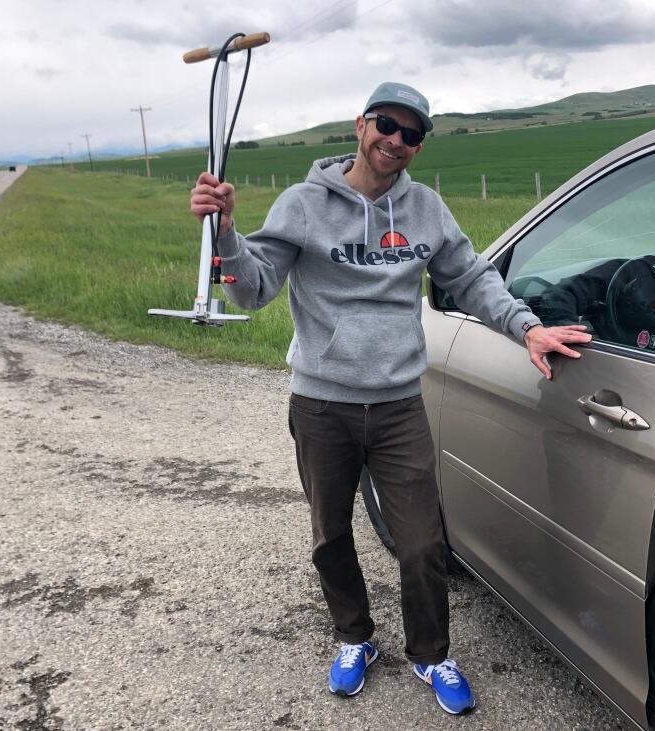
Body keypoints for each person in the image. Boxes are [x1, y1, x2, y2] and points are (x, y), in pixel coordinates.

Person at [190, 81, 591, 715]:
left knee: (423, 541)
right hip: (321, 404)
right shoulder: (302, 205)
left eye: (413, 134)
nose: (397, 141)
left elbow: (472, 278)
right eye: (387, 125)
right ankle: (355, 637)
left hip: (401, 404)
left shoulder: (426, 211)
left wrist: (527, 327)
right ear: (360, 125)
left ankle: (431, 654)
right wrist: (228, 231)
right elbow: (250, 289)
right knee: (331, 534)